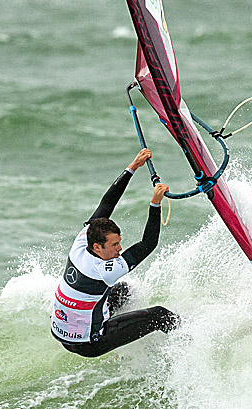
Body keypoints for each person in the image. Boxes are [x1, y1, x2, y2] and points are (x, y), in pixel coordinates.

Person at [51, 148, 180, 357]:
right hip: (89, 343)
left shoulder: (81, 242)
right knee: (159, 315)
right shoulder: (104, 270)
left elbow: (107, 203)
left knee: (123, 291)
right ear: (97, 247)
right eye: (114, 245)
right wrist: (155, 203)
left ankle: (128, 332)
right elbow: (148, 244)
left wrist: (133, 167)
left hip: (62, 333)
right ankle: (192, 341)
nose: (120, 249)